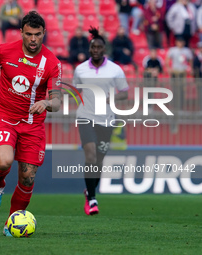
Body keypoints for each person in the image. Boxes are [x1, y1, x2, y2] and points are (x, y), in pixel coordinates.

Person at [0, 11, 61, 236]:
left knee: (28, 178)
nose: (33, 39)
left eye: (37, 35)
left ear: (44, 34)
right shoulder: (3, 51)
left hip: (32, 124)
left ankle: (10, 224)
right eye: (28, 34)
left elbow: (58, 101)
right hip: (4, 115)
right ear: (21, 32)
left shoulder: (52, 63)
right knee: (4, 161)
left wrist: (46, 103)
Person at [73, 27, 129, 216]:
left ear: (104, 50)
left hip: (107, 119)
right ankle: (92, 199)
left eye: (99, 47)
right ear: (89, 49)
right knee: (90, 155)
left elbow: (125, 93)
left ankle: (89, 190)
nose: (95, 49)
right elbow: (76, 90)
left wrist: (110, 97)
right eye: (93, 47)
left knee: (99, 160)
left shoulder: (115, 70)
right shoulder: (80, 69)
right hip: (85, 117)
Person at [165, 36, 193, 110]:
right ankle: (174, 105)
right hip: (175, 71)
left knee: (182, 89)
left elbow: (190, 60)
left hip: (182, 72)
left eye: (181, 42)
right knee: (174, 88)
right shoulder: (173, 50)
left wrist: (190, 68)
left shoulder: (187, 50)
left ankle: (181, 105)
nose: (180, 43)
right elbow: (167, 60)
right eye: (179, 41)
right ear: (176, 42)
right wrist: (169, 68)